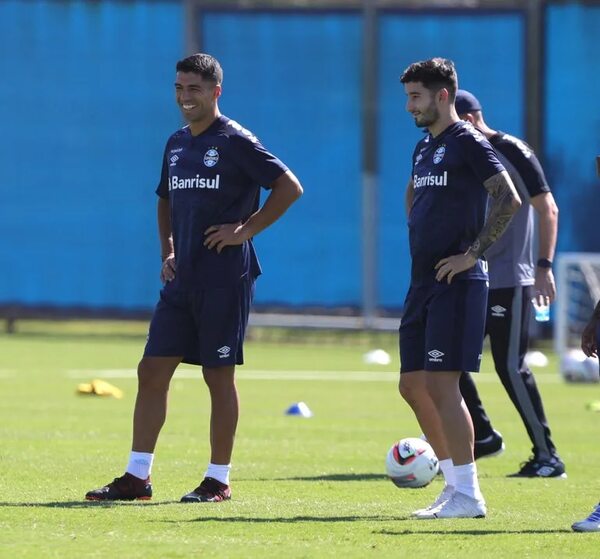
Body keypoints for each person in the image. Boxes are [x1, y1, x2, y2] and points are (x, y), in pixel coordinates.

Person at [85, 53, 303, 503]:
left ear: (215, 92)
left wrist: (245, 230)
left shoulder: (236, 140)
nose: (185, 97)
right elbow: (164, 199)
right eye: (180, 88)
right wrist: (167, 250)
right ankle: (137, 477)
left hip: (226, 278)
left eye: (195, 89)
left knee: (217, 376)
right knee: (151, 370)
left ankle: (218, 479)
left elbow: (289, 187)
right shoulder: (177, 142)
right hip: (181, 280)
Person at [399, 58, 521, 519]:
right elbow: (414, 195)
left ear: (442, 95)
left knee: (443, 385)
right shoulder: (423, 147)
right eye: (408, 96)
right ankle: (453, 488)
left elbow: (508, 196)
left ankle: (469, 494)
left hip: (458, 281)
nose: (409, 105)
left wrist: (473, 253)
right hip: (422, 282)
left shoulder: (467, 140)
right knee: (412, 385)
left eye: (416, 96)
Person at [454, 89, 565, 478]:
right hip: (469, 278)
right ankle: (483, 436)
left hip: (508, 279)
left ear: (466, 119)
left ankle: (548, 456)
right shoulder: (454, 152)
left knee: (510, 367)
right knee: (445, 360)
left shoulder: (512, 150)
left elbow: (547, 207)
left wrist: (544, 267)